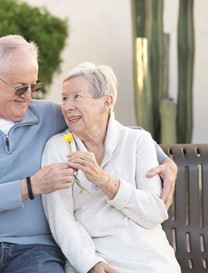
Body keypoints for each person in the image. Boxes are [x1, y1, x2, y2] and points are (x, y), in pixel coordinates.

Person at [0, 35, 177, 273]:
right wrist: (29, 186)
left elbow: (100, 121)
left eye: (34, 86)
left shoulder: (43, 115)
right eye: (20, 88)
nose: (28, 97)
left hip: (33, 249)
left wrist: (163, 158)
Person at [41, 62, 181, 273]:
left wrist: (105, 181)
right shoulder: (57, 148)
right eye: (64, 98)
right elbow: (61, 219)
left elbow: (154, 212)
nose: (68, 106)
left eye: (77, 97)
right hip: (95, 256)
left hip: (149, 257)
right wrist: (89, 263)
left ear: (106, 103)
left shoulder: (138, 141)